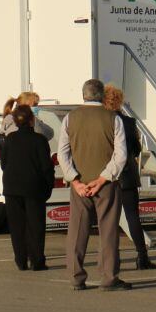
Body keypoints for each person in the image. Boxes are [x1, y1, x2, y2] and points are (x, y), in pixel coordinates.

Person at [58, 79, 131, 291]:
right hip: (106, 184)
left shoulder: (70, 118)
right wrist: (103, 178)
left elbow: (62, 153)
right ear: (101, 95)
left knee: (77, 230)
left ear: (83, 95)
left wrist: (75, 180)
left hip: (79, 183)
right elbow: (121, 154)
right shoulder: (113, 119)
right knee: (108, 230)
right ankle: (108, 277)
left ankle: (75, 276)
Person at [102, 85, 156, 270]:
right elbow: (136, 149)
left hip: (106, 175)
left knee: (108, 218)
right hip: (127, 173)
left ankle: (110, 260)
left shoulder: (101, 121)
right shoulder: (129, 122)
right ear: (119, 100)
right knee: (133, 216)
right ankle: (142, 256)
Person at [0, 105, 55, 271]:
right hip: (33, 187)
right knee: (35, 225)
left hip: (12, 187)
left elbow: (4, 163)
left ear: (15, 121)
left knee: (17, 226)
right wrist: (48, 186)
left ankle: (20, 260)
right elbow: (46, 167)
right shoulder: (39, 140)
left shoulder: (10, 139)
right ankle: (37, 260)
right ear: (32, 120)